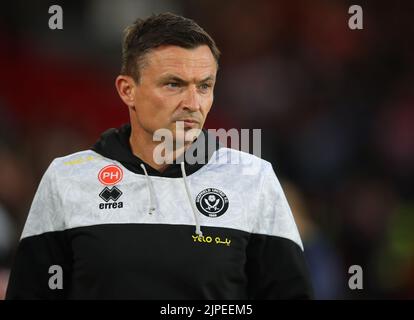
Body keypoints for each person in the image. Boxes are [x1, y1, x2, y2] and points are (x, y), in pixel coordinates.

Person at [6, 12, 312, 299]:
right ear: (127, 90)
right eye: (173, 84)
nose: (193, 102)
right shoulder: (67, 178)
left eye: (204, 86)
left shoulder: (253, 178)